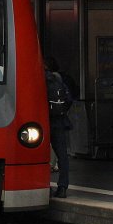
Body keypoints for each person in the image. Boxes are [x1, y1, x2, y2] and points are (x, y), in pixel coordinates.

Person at [44, 56, 72, 198]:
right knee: (62, 155)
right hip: (59, 121)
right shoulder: (58, 79)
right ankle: (62, 188)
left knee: (42, 155)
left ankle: (43, 186)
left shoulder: (38, 77)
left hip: (43, 121)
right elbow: (68, 99)